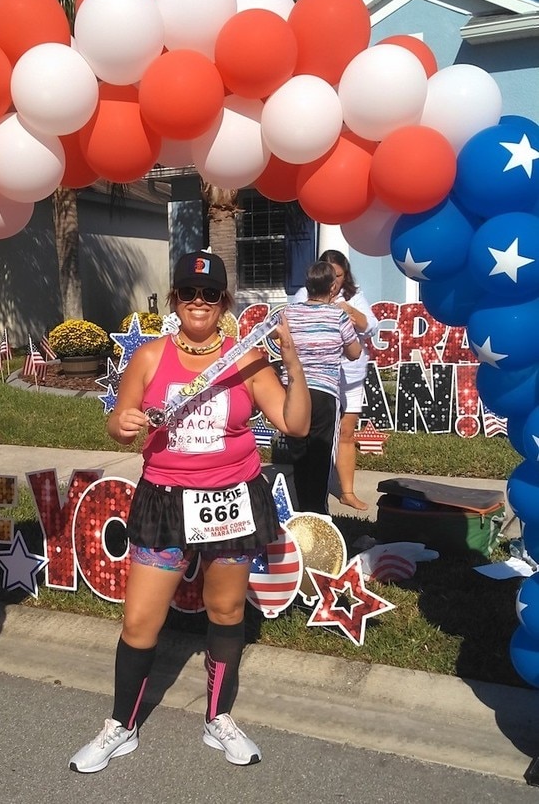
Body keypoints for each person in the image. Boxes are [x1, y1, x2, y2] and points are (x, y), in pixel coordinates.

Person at [69, 250, 310, 773]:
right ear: (175, 300)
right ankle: (121, 726)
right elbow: (117, 422)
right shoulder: (151, 357)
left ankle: (217, 718)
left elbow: (294, 425)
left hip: (231, 497)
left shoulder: (246, 359)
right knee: (139, 621)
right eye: (188, 293)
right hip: (165, 500)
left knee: (225, 612)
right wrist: (123, 423)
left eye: (210, 294)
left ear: (222, 303)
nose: (198, 302)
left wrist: (292, 363)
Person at [283, 260, 361, 517]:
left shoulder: (288, 313)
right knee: (320, 455)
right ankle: (316, 514)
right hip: (324, 392)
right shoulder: (338, 315)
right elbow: (354, 352)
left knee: (299, 453)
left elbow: (273, 338)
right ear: (332, 288)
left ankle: (301, 511)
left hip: (293, 392)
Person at [320, 249, 379, 512]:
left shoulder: (354, 295)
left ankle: (347, 492)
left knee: (346, 432)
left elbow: (371, 326)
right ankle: (317, 490)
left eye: (339, 276)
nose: (334, 282)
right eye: (330, 276)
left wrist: (349, 310)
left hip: (352, 376)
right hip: (322, 375)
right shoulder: (307, 294)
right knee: (320, 434)